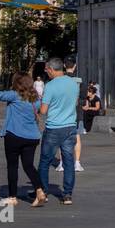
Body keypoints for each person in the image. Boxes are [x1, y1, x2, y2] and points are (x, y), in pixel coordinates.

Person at [0, 74, 45, 207]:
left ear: (17, 83)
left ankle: (12, 197)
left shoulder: (14, 95)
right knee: (29, 166)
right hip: (32, 137)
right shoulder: (36, 99)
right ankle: (39, 190)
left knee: (12, 166)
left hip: (14, 135)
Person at [36, 58, 80, 205]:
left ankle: (43, 191)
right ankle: (67, 194)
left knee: (44, 161)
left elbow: (43, 110)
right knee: (68, 161)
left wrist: (36, 107)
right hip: (70, 127)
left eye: (47, 70)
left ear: (52, 69)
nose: (46, 73)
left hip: (54, 127)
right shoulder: (73, 83)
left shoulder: (50, 86)